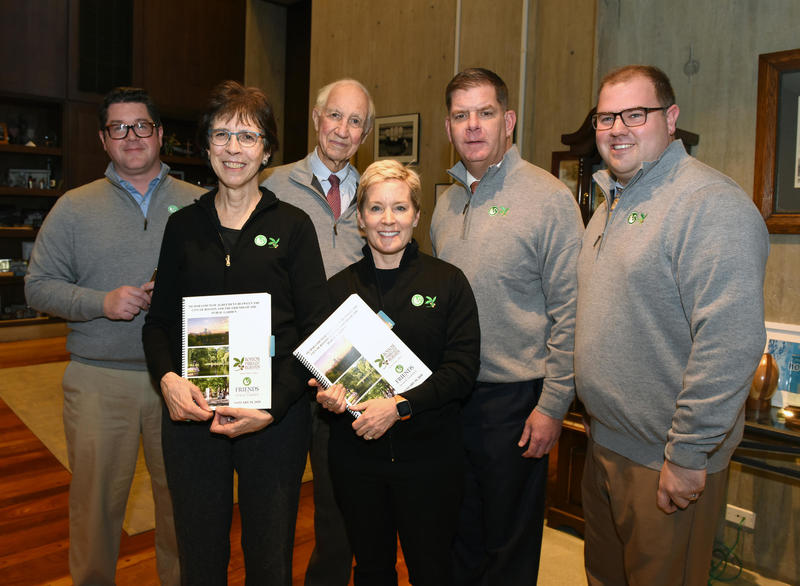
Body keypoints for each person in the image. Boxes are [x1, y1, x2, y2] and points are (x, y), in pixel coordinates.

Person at [575, 65, 769, 585]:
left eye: (635, 114)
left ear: (672, 118)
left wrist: (687, 453)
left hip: (664, 462)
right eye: (606, 117)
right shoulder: (610, 201)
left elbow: (730, 341)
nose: (617, 128)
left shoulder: (709, 205)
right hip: (606, 445)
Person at [142, 81, 329, 585]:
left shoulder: (294, 226)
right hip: (193, 415)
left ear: (267, 149)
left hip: (273, 417)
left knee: (269, 560)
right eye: (222, 135)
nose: (233, 148)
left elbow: (314, 332)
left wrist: (271, 407)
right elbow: (159, 323)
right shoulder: (183, 227)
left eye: (247, 137)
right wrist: (166, 380)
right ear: (205, 146)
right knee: (200, 559)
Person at [24, 87, 203, 586]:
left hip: (181, 380)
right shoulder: (73, 208)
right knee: (96, 509)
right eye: (118, 128)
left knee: (182, 507)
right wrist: (100, 302)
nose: (132, 137)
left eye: (142, 125)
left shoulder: (199, 204)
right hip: (100, 380)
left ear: (160, 133)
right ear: (104, 140)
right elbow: (37, 286)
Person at [430, 67, 584, 584]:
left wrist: (552, 406)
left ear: (509, 121)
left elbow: (572, 312)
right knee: (458, 533)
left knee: (508, 547)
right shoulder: (446, 202)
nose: (473, 126)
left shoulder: (549, 198)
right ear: (448, 127)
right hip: (452, 398)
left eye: (486, 113)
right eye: (460, 115)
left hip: (516, 401)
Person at [315, 160, 480, 585]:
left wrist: (401, 406)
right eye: (375, 208)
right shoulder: (337, 291)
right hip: (357, 461)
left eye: (400, 208)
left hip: (430, 459)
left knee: (431, 569)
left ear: (417, 216)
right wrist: (327, 394)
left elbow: (461, 372)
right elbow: (322, 372)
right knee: (370, 570)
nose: (388, 220)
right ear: (360, 219)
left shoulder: (449, 283)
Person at [263, 78, 373, 585]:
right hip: (283, 369)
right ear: (315, 117)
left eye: (355, 121)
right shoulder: (270, 184)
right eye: (335, 116)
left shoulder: (377, 196)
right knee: (275, 503)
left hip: (345, 374)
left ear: (365, 132)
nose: (343, 129)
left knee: (340, 506)